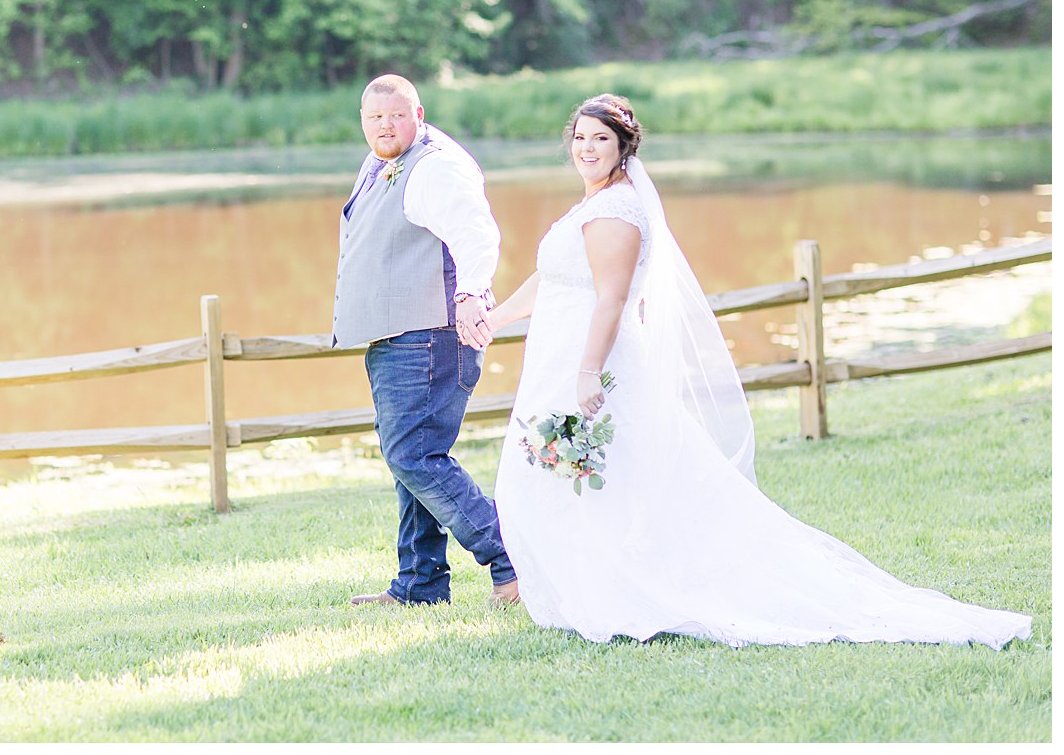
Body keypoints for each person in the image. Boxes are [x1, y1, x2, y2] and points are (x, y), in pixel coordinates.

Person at [482, 93, 1031, 648]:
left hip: (593, 362)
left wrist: (587, 373)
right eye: (579, 138)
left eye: (600, 138)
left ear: (624, 147)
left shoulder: (615, 213)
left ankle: (624, 587)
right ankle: (589, 583)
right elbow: (553, 278)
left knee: (603, 472)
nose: (586, 148)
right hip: (561, 356)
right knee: (588, 474)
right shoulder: (591, 207)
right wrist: (494, 316)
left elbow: (611, 299)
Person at [334, 73, 519, 607]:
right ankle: (421, 585)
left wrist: (471, 295)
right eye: (374, 118)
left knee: (414, 456)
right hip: (398, 336)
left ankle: (511, 558)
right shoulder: (381, 161)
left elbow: (476, 234)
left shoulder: (435, 165)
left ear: (419, 113)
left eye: (396, 115)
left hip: (431, 336)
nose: (385, 126)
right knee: (411, 459)